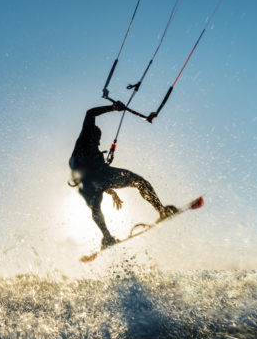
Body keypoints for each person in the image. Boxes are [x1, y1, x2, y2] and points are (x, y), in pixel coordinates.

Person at [69, 100, 178, 248]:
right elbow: (90, 113)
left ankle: (107, 237)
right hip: (95, 175)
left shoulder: (94, 151)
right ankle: (161, 210)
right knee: (138, 182)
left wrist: (111, 191)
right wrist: (112, 108)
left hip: (91, 180)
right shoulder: (85, 136)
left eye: (98, 137)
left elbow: (94, 181)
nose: (98, 139)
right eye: (97, 135)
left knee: (96, 207)